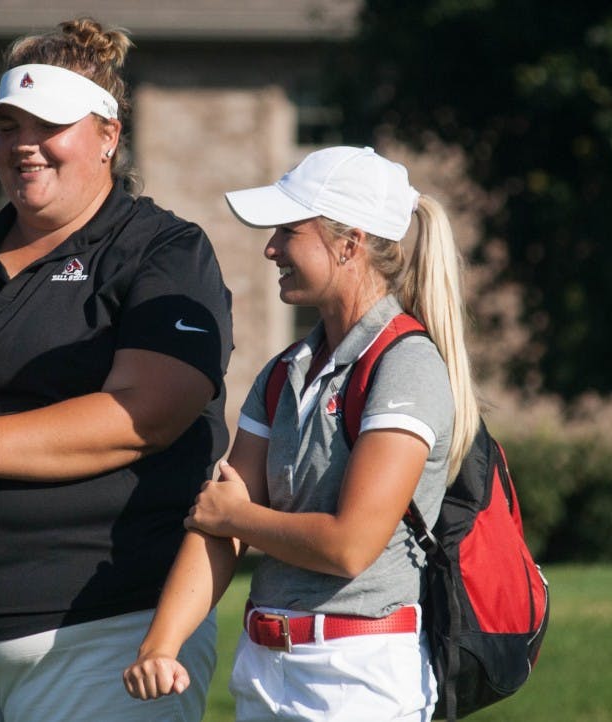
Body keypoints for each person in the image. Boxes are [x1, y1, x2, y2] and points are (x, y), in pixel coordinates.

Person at [0, 17, 232, 722]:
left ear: (108, 136)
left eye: (46, 125)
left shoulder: (162, 251)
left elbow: (147, 412)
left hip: (100, 629)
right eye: (5, 127)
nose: (22, 146)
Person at [123, 145, 481, 721]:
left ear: (349, 243)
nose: (270, 248)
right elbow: (217, 523)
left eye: (288, 230)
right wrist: (160, 644)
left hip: (359, 677)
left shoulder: (405, 365)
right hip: (266, 669)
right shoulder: (282, 372)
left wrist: (235, 517)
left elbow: (348, 546)